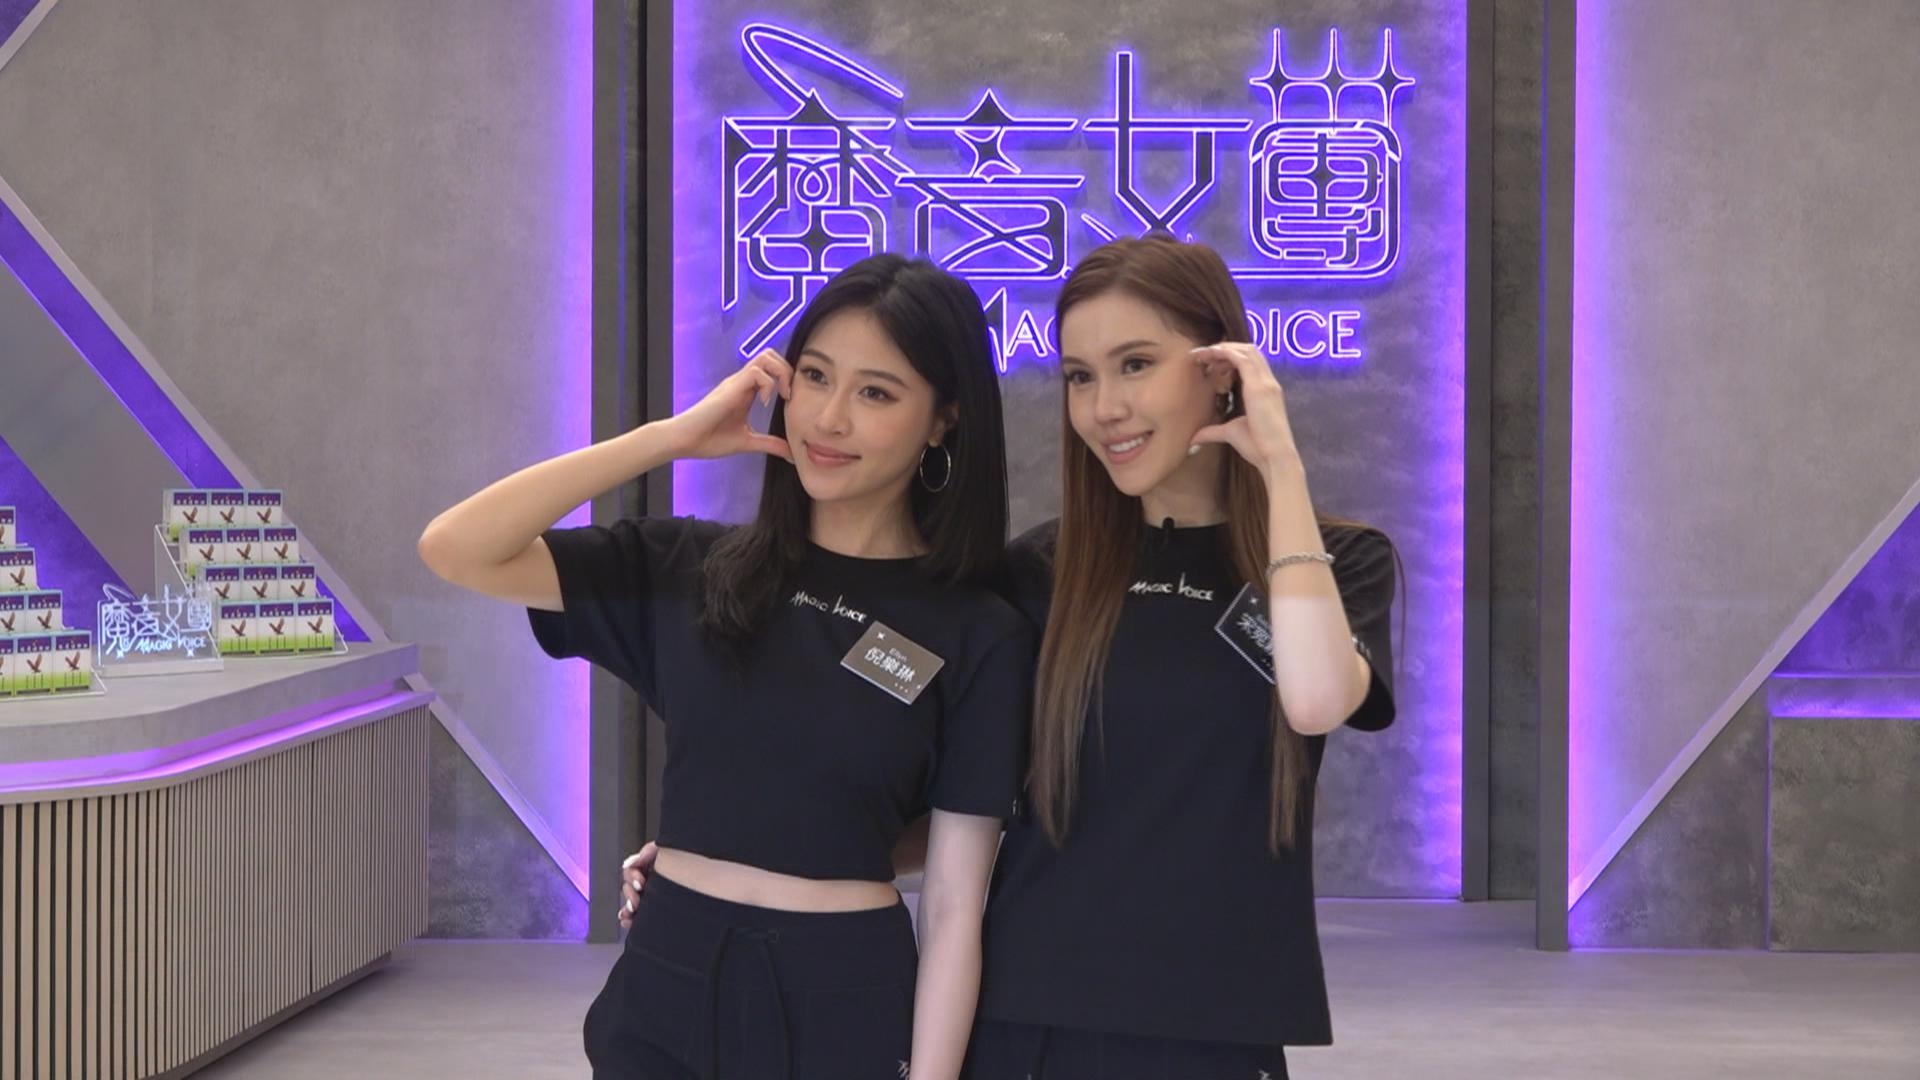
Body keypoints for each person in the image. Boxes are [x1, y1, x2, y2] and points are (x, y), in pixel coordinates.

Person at [420, 253, 1033, 1080]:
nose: (829, 418)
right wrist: (668, 439)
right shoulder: (694, 568)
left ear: (942, 422)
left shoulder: (978, 631)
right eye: (815, 377)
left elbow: (957, 905)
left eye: (876, 393)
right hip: (666, 973)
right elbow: (457, 547)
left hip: (841, 991)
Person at [963, 235, 1398, 1079]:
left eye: (1136, 365)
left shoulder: (1341, 562)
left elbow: (1314, 700)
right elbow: (956, 795)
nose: (1104, 408)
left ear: (1221, 369)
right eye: (1080, 377)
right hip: (1029, 1017)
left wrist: (1281, 467)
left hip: (1218, 1022)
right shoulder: (1039, 572)